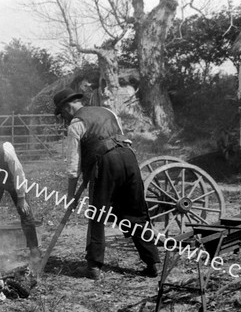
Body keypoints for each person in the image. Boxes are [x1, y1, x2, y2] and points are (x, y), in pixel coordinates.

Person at [52, 88, 160, 280]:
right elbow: (118, 137)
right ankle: (152, 263)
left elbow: (73, 165)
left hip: (106, 163)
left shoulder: (76, 124)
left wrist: (70, 196)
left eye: (62, 114)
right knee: (136, 212)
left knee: (98, 215)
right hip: (129, 157)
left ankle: (93, 267)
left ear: (67, 107)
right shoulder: (108, 112)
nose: (64, 119)